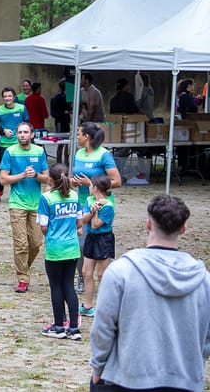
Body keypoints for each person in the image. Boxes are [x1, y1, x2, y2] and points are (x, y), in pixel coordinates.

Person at [90, 195, 210, 392]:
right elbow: (206, 337)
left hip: (126, 378)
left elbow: (103, 327)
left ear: (148, 224)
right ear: (183, 229)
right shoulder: (204, 280)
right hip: (184, 380)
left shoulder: (121, 271)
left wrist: (98, 366)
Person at [71, 122, 122, 294]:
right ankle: (82, 277)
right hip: (82, 201)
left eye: (79, 133)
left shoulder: (104, 155)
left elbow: (117, 181)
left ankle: (106, 274)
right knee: (79, 243)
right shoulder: (79, 153)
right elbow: (76, 174)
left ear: (87, 136)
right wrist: (73, 181)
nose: (76, 136)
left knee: (96, 241)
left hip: (101, 204)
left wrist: (91, 183)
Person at [0, 122, 48, 293]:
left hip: (36, 203)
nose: (22, 135)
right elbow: (3, 180)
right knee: (21, 244)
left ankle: (23, 266)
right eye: (19, 132)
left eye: (26, 132)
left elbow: (47, 179)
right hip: (17, 203)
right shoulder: (10, 152)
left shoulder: (39, 151)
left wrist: (36, 175)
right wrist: (22, 175)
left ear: (32, 134)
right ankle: (22, 278)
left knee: (35, 243)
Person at [37, 163, 82, 341]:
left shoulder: (46, 198)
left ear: (50, 179)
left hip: (55, 249)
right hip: (72, 248)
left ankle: (58, 326)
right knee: (69, 286)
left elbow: (43, 226)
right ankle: (74, 327)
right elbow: (79, 223)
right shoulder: (75, 195)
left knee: (56, 287)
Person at [79, 174, 115, 319]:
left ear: (96, 188)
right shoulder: (89, 200)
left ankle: (105, 306)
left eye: (91, 185)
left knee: (102, 275)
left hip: (103, 239)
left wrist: (96, 211)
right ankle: (87, 306)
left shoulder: (108, 205)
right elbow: (83, 220)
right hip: (91, 238)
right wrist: (92, 210)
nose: (89, 187)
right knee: (87, 272)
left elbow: (95, 224)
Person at [0, 86, 29, 202]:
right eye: (5, 96)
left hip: (19, 144)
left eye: (9, 96)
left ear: (14, 97)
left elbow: (27, 123)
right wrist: (3, 131)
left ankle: (21, 191)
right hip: (4, 144)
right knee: (2, 168)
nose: (7, 98)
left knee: (21, 167)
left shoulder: (22, 108)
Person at [50, 79, 72, 163]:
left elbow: (69, 108)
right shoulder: (56, 98)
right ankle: (59, 162)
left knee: (66, 142)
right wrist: (64, 112)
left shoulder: (67, 97)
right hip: (60, 122)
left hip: (65, 121)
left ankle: (65, 162)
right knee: (60, 142)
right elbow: (54, 113)